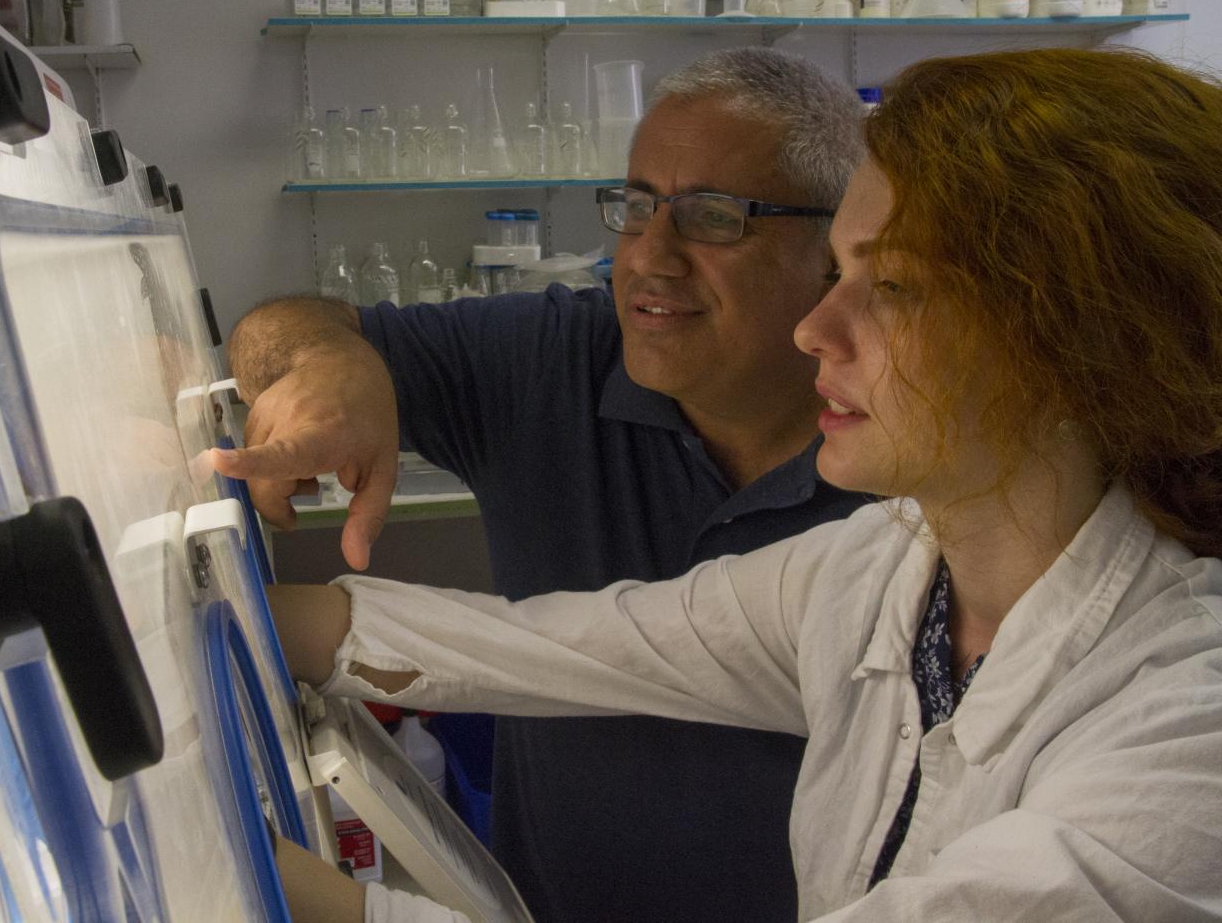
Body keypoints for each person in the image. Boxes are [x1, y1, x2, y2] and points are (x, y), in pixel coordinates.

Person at [246, 46, 1222, 921]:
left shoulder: (1185, 732)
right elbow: (554, 646)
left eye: (892, 288)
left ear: (1083, 344)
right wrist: (207, 612)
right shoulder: (886, 569)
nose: (816, 331)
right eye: (841, 272)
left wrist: (326, 899)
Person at [220, 48, 867, 922]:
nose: (650, 257)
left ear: (839, 248)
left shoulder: (905, 461)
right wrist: (329, 362)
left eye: (714, 217)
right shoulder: (554, 358)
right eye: (636, 207)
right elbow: (276, 324)